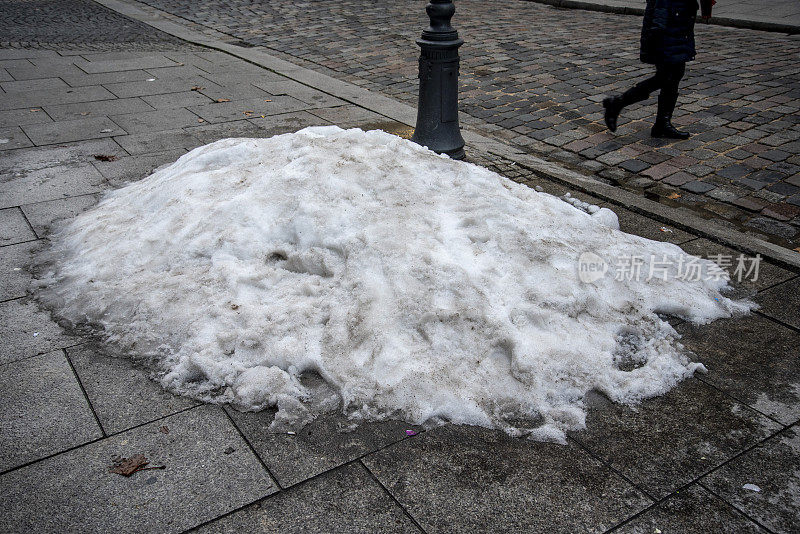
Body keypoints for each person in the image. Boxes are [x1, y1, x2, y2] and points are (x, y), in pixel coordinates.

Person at [603, 0, 715, 139]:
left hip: (678, 26)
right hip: (667, 31)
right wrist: (656, 36)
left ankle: (662, 124)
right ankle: (619, 103)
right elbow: (660, 8)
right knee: (666, 77)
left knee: (674, 75)